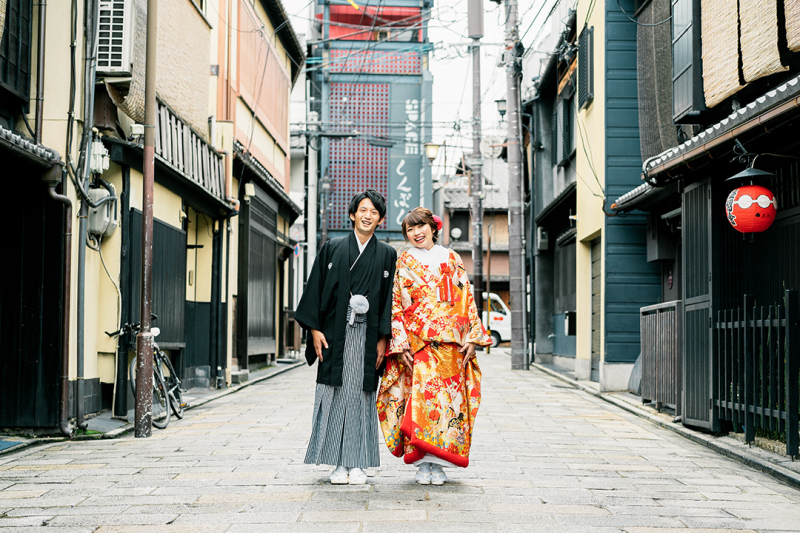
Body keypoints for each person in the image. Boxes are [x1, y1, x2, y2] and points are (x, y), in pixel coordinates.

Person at [377, 207, 490, 485]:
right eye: (410, 230)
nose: (416, 233)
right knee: (420, 404)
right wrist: (400, 341)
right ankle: (422, 462)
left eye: (420, 227)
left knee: (448, 404)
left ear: (433, 227)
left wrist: (472, 338)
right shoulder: (403, 262)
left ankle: (439, 464)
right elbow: (396, 304)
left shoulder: (451, 257)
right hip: (418, 344)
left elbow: (466, 297)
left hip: (451, 343)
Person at [295, 190, 397, 485]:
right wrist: (314, 329)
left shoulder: (388, 254)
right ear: (352, 214)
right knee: (334, 394)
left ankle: (358, 463)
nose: (368, 216)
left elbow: (389, 301)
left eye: (374, 212)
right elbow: (315, 288)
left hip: (367, 336)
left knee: (362, 396)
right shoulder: (333, 247)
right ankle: (339, 463)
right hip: (333, 334)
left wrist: (383, 339)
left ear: (380, 219)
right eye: (363, 210)